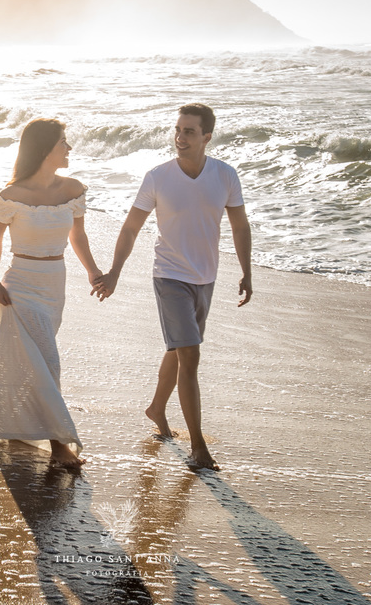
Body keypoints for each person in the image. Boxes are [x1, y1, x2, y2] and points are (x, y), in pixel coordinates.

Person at [93, 104, 252, 471]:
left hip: (206, 277)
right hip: (169, 276)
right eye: (178, 130)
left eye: (189, 131)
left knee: (180, 349)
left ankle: (156, 408)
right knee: (190, 355)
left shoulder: (225, 175)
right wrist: (115, 272)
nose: (180, 137)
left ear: (207, 137)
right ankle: (198, 447)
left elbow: (240, 226)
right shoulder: (158, 177)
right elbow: (131, 227)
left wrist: (247, 271)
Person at [0, 118, 102, 469]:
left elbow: (77, 236)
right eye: (63, 142)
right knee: (47, 362)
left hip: (54, 284)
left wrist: (93, 271)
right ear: (44, 149)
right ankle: (59, 445)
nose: (69, 148)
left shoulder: (73, 189)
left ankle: (18, 425)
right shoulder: (11, 196)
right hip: (20, 286)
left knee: (31, 362)